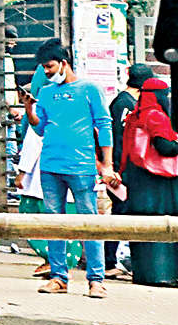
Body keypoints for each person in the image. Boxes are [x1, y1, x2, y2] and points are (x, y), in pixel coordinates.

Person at [27, 38, 116, 297]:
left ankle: (96, 279)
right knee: (54, 222)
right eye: (44, 68)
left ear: (63, 63)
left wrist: (107, 165)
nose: (47, 72)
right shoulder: (45, 93)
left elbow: (104, 125)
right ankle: (59, 277)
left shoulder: (89, 89)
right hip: (50, 165)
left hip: (82, 166)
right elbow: (39, 129)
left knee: (89, 222)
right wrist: (29, 109)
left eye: (50, 66)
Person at [119, 77, 178, 286]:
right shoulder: (156, 116)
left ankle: (144, 274)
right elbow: (165, 147)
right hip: (158, 182)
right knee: (161, 226)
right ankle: (163, 275)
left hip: (138, 181)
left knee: (142, 228)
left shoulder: (135, 115)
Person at [103, 63, 153, 273]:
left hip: (122, 168)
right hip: (120, 170)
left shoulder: (125, 102)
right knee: (121, 213)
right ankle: (110, 260)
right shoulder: (125, 104)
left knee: (122, 212)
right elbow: (119, 139)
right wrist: (114, 169)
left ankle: (114, 259)